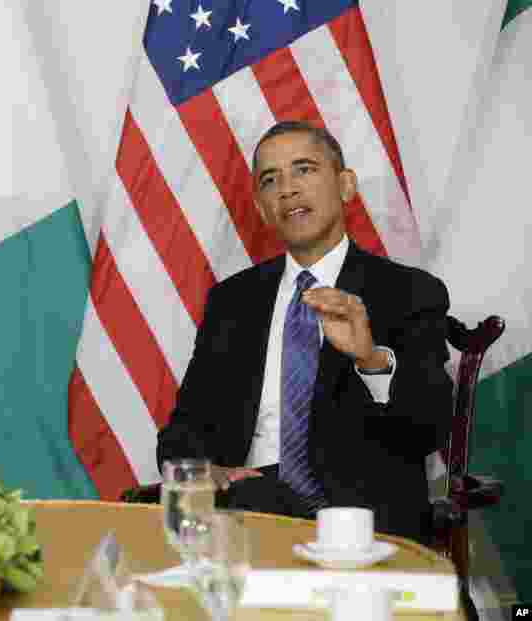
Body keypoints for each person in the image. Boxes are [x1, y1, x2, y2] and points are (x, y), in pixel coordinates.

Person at [157, 121, 452, 543]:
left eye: (304, 170)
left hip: (357, 520)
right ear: (260, 207)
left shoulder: (407, 291)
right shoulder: (232, 301)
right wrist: (208, 473)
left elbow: (428, 429)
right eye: (270, 179)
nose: (287, 189)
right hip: (244, 509)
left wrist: (371, 359)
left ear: (346, 185)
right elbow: (183, 430)